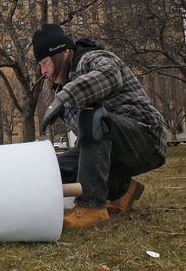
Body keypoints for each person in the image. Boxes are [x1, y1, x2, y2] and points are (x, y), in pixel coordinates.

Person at [34, 24, 167, 230]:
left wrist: (64, 98)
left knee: (95, 116)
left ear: (62, 52)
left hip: (146, 136)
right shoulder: (63, 87)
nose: (43, 71)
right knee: (57, 169)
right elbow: (89, 142)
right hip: (115, 150)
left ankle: (91, 207)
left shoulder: (90, 58)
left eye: (44, 62)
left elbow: (111, 75)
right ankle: (124, 190)